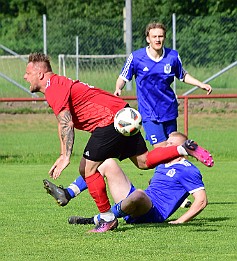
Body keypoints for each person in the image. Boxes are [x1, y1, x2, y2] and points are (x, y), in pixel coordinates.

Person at [24, 52, 213, 233]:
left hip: (108, 121)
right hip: (123, 114)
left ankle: (107, 219)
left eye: (27, 73)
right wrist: (62, 152)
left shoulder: (52, 87)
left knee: (87, 169)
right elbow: (62, 122)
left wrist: (66, 156)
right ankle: (182, 148)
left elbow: (66, 121)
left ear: (39, 73)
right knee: (144, 161)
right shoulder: (58, 84)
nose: (25, 77)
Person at [44, 132, 208, 230]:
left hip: (152, 213)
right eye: (168, 142)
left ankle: (98, 220)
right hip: (138, 204)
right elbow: (158, 185)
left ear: (183, 150)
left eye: (172, 144)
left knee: (139, 194)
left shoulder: (188, 169)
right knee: (108, 163)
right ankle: (67, 193)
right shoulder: (162, 165)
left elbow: (201, 201)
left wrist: (180, 221)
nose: (167, 145)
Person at [114, 22, 213, 148]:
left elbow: (182, 75)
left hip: (169, 110)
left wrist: (201, 84)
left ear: (164, 38)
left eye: (160, 36)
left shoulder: (173, 56)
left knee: (172, 149)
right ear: (148, 39)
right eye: (154, 36)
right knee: (161, 150)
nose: (157, 39)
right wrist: (118, 88)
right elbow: (123, 77)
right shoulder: (136, 57)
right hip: (149, 112)